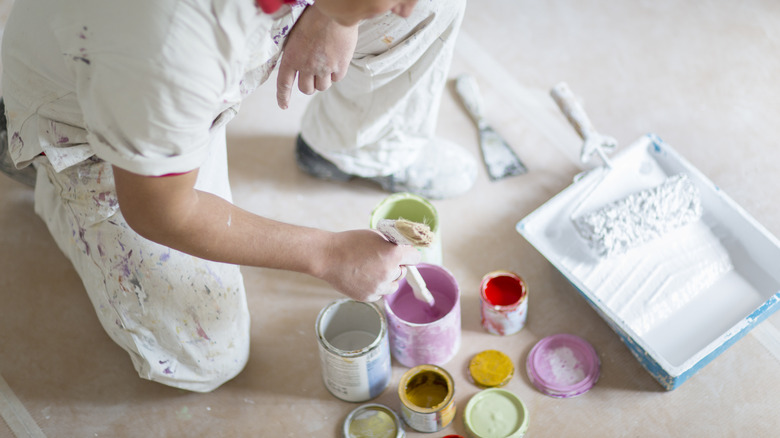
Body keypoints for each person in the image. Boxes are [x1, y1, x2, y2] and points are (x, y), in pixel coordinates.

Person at [0, 0, 475, 392]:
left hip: (187, 74)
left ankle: (359, 148)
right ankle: (48, 173)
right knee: (207, 358)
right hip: (99, 117)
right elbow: (162, 211)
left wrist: (336, 16)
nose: (404, 6)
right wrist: (327, 255)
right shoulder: (162, 42)